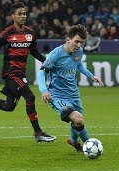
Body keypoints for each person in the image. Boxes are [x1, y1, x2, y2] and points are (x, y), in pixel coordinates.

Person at [0, 2, 56, 143]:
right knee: (30, 97)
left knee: (9, 106)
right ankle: (38, 133)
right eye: (19, 14)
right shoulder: (7, 33)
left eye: (24, 13)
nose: (23, 16)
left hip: (21, 73)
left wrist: (46, 62)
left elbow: (34, 52)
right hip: (11, 73)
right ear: (12, 16)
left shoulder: (30, 34)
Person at [37, 24, 104, 152]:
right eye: (76, 41)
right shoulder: (55, 55)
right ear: (68, 39)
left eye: (81, 42)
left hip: (73, 94)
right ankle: (90, 146)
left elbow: (79, 66)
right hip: (56, 95)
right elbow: (41, 72)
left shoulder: (78, 51)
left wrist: (92, 76)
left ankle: (73, 141)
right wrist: (44, 90)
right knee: (78, 118)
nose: (79, 45)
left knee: (77, 121)